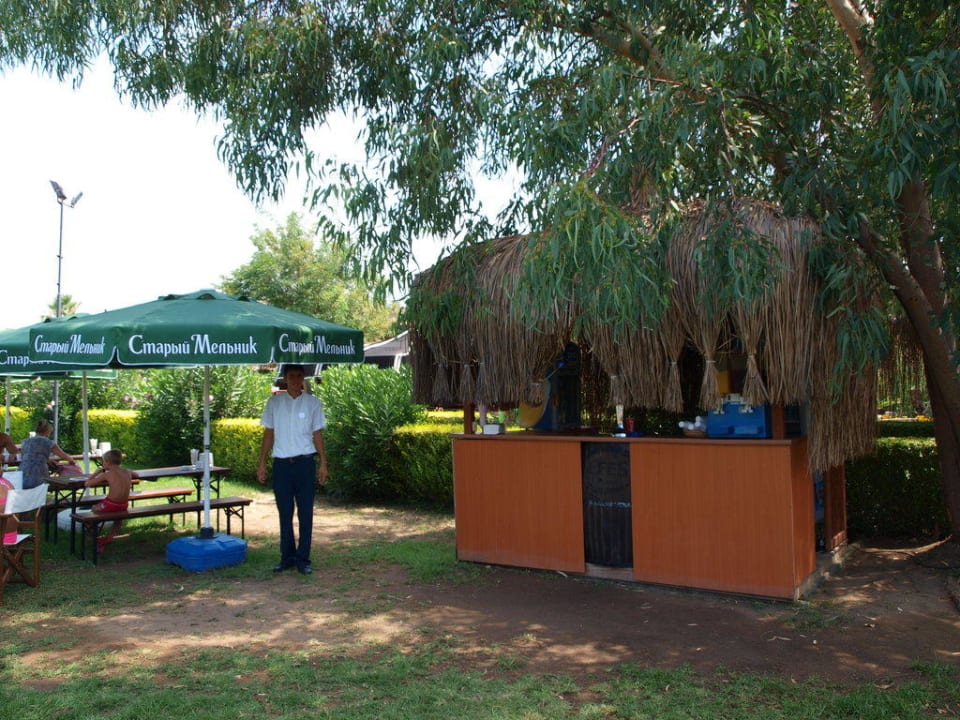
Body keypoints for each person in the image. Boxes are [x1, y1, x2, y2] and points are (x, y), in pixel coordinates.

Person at [256, 364, 328, 575]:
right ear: (285, 379)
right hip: (282, 465)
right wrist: (262, 463)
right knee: (285, 512)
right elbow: (269, 433)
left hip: (305, 464)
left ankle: (303, 559)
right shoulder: (274, 403)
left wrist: (323, 462)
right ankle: (286, 557)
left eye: (299, 376)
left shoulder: (313, 403)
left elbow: (317, 434)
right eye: (291, 376)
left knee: (306, 513)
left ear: (303, 378)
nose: (296, 380)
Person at [84, 448, 138, 553]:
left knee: (93, 510)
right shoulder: (127, 471)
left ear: (107, 462)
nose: (103, 464)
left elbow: (87, 484)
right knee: (118, 520)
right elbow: (137, 475)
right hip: (124, 505)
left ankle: (95, 537)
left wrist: (96, 473)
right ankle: (109, 538)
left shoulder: (107, 474)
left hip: (110, 504)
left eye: (103, 462)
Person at [19, 420, 78, 489]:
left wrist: (47, 460)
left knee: (26, 492)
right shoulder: (48, 442)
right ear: (47, 431)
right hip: (38, 471)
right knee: (40, 491)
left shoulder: (25, 441)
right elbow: (63, 455)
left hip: (23, 470)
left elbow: (26, 456)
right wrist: (71, 460)